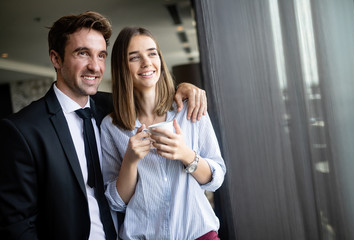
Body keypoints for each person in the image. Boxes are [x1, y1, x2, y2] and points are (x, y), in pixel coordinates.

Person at [0, 12, 207, 240]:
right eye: (82, 53)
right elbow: (17, 223)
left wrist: (188, 89)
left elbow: (155, 95)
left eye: (101, 56)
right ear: (56, 59)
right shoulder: (23, 130)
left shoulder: (114, 109)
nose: (95, 66)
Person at [101, 27, 226, 240]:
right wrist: (130, 162)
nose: (147, 62)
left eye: (152, 53)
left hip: (199, 235)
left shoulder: (190, 110)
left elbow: (216, 179)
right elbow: (117, 203)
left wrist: (186, 155)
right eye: (134, 57)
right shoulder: (111, 126)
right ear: (122, 67)